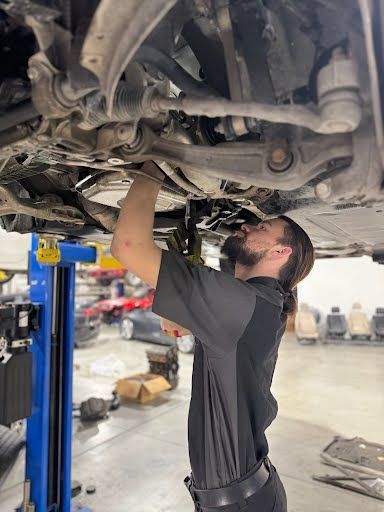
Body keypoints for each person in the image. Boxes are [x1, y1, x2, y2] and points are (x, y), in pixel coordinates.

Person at [111, 161, 315, 512]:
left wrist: (153, 164)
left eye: (262, 227)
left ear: (281, 252)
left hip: (243, 501)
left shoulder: (245, 304)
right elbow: (171, 318)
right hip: (245, 499)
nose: (248, 226)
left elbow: (128, 246)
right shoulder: (259, 304)